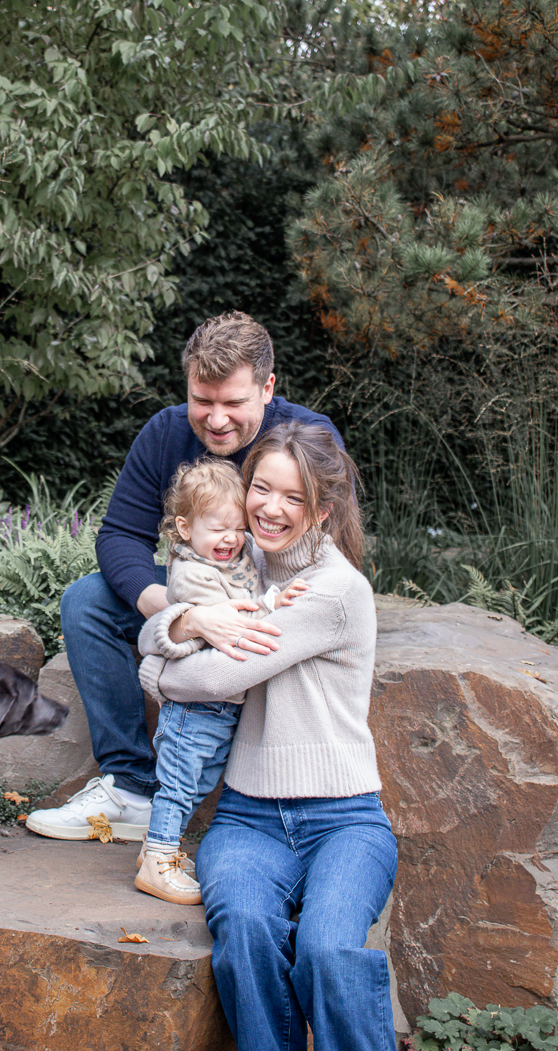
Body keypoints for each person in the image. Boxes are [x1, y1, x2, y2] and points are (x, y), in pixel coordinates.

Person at [136, 421, 413, 1051]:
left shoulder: (333, 591)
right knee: (248, 934)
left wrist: (188, 644)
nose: (270, 508)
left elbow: (202, 681)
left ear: (324, 509)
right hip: (249, 819)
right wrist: (190, 624)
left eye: (295, 496)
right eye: (261, 487)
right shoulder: (235, 566)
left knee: (328, 950)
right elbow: (151, 644)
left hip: (345, 821)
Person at [25, 311, 342, 842]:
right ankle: (130, 788)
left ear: (267, 388)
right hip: (196, 589)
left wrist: (255, 614)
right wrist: (182, 614)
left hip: (278, 602)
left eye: (233, 403)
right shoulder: (166, 433)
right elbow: (120, 535)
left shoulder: (309, 437)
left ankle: (255, 802)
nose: (216, 420)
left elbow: (335, 550)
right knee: (86, 600)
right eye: (202, 400)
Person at [135, 455, 306, 904]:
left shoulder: (232, 557)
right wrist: (274, 605)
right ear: (185, 528)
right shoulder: (192, 574)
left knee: (199, 781)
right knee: (178, 785)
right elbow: (233, 622)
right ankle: (158, 860)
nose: (231, 538)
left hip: (223, 706)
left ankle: (156, 849)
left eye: (238, 527)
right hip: (194, 705)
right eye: (218, 529)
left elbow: (248, 594)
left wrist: (272, 596)